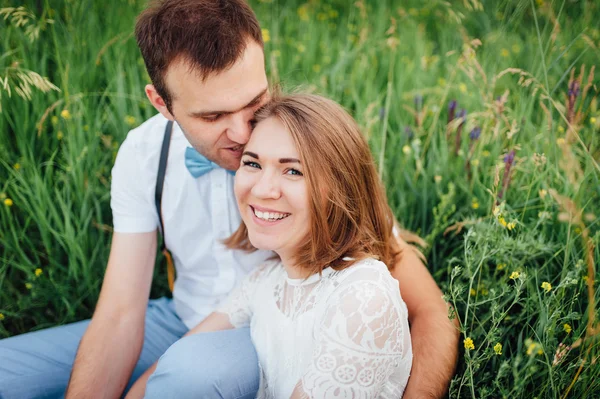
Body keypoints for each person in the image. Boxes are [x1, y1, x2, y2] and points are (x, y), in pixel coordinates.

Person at [0, 1, 458, 398]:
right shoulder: (143, 155)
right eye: (213, 115)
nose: (241, 135)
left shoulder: (309, 143)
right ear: (161, 103)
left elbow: (428, 310)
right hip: (183, 318)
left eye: (254, 100)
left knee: (192, 373)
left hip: (272, 335)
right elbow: (121, 314)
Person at [142, 92, 414, 398]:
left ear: (341, 190)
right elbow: (172, 361)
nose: (262, 189)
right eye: (252, 164)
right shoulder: (265, 281)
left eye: (293, 171)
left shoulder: (363, 295)